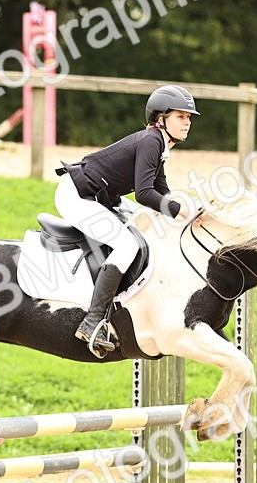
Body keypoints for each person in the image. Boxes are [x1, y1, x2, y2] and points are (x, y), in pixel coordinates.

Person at [54, 84, 199, 357]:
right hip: (77, 195)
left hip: (100, 197)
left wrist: (189, 215)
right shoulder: (151, 141)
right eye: (181, 116)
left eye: (189, 118)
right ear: (161, 118)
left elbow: (162, 192)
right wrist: (180, 210)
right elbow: (145, 194)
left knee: (143, 229)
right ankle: (92, 321)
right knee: (126, 245)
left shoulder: (159, 146)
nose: (187, 122)